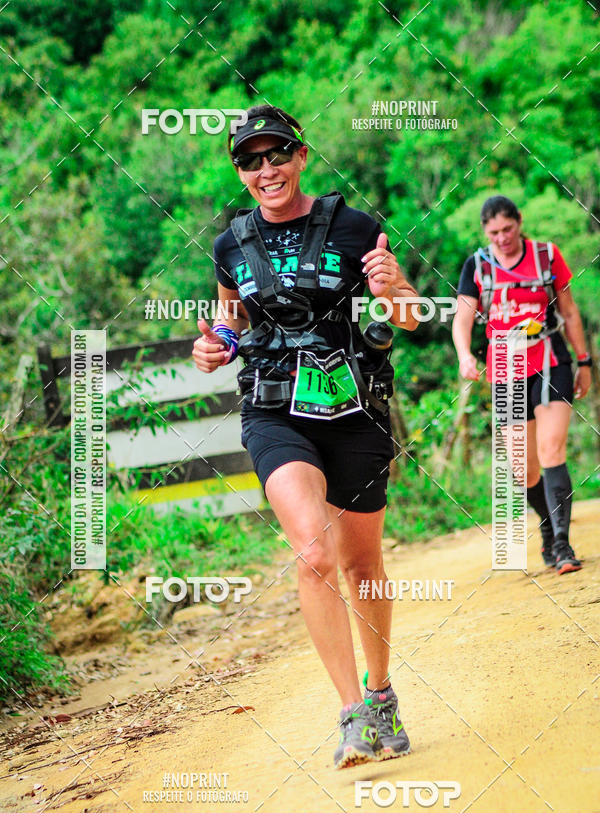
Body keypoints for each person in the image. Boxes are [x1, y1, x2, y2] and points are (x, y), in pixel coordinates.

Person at [193, 104, 420, 767]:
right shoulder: (232, 243)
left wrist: (392, 287)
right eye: (250, 160)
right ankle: (351, 711)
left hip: (356, 409)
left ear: (301, 154)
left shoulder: (356, 227)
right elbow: (229, 322)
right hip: (273, 409)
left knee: (361, 564)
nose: (267, 169)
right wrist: (215, 346)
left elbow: (405, 315)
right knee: (314, 554)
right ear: (239, 170)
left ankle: (381, 693)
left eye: (277, 154)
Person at [453, 195, 592, 574]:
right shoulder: (477, 266)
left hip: (551, 358)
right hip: (505, 368)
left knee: (551, 448)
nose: (502, 238)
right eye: (494, 232)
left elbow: (569, 310)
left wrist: (584, 361)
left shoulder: (546, 256)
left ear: (519, 222)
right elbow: (462, 318)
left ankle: (563, 546)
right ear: (485, 232)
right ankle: (549, 529)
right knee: (523, 468)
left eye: (508, 229)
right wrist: (466, 355)